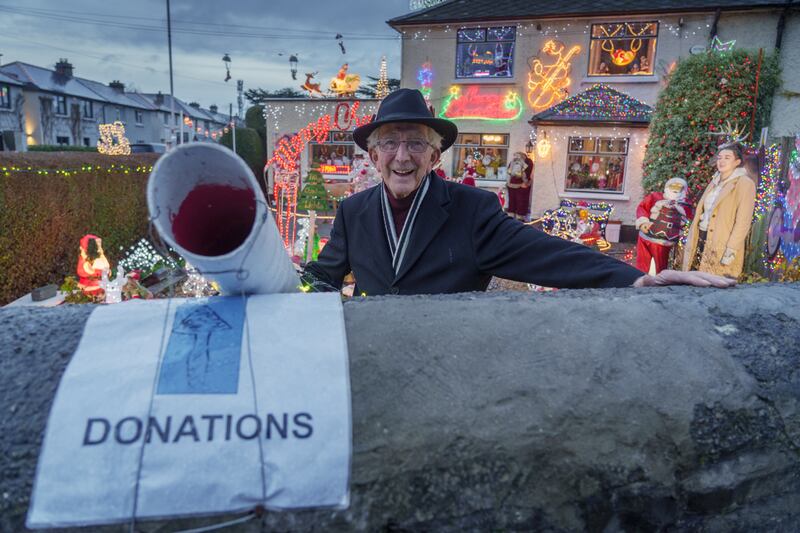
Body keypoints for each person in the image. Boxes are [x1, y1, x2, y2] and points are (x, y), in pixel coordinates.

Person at [301, 88, 734, 295]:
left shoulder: (471, 209)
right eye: (390, 143)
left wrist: (640, 278)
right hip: (374, 363)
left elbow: (545, 253)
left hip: (448, 368)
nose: (402, 155)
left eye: (416, 142)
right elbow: (322, 279)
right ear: (374, 155)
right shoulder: (353, 211)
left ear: (435, 156)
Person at [682, 142, 756, 278]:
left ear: (737, 162)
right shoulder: (714, 182)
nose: (721, 161)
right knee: (694, 280)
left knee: (712, 283)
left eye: (727, 158)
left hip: (721, 242)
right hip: (701, 237)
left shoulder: (745, 184)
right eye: (720, 157)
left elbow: (743, 221)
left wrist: (731, 249)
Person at [635, 178, 694, 274]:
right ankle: (639, 279)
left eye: (679, 188)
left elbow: (689, 220)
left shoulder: (685, 205)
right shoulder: (655, 197)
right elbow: (642, 208)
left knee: (662, 268)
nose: (675, 189)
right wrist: (643, 222)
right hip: (645, 237)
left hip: (666, 242)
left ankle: (660, 284)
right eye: (673, 186)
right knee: (642, 264)